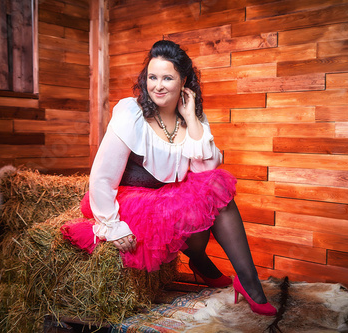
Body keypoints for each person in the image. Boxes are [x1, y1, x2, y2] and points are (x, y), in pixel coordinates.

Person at [61, 40, 276, 316]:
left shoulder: (192, 116)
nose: (158, 86)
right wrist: (112, 225)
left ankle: (248, 283)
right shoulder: (131, 113)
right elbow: (102, 177)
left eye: (167, 78)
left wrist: (192, 118)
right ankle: (203, 263)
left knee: (215, 186)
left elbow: (206, 169)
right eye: (152, 77)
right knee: (193, 204)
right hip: (134, 202)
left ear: (183, 81)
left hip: (172, 198)